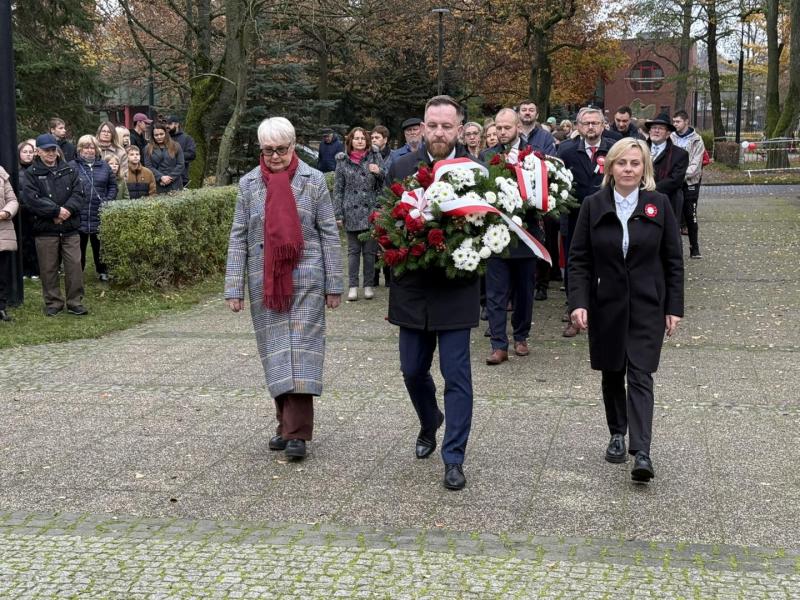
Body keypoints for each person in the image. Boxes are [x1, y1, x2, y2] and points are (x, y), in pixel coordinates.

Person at [224, 116, 343, 460]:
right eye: (268, 150)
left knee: (301, 352)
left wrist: (334, 284)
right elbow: (239, 236)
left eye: (281, 149)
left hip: (307, 276)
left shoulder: (314, 180)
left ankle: (297, 434)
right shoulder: (248, 184)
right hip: (267, 280)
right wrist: (235, 288)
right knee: (276, 352)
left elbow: (329, 234)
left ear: (293, 146)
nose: (275, 156)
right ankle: (284, 425)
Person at [568, 138, 684, 482]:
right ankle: (617, 433)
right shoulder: (593, 205)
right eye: (622, 163)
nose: (629, 169)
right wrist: (579, 302)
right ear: (610, 167)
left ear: (644, 168)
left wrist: (674, 307)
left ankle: (642, 450)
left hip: (648, 304)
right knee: (612, 371)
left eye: (635, 163)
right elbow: (579, 260)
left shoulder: (658, 204)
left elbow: (673, 261)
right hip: (607, 305)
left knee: (641, 374)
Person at [385, 95, 477, 491]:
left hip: (456, 289)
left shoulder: (477, 171)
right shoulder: (402, 166)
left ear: (459, 128)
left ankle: (453, 457)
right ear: (422, 126)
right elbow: (386, 222)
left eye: (446, 126)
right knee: (412, 370)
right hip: (412, 288)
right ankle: (429, 420)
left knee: (456, 376)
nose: (438, 133)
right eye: (432, 125)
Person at [479, 108, 540, 366]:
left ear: (518, 126)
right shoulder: (487, 156)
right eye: (499, 128)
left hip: (526, 235)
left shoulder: (534, 155)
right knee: (496, 293)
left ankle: (521, 336)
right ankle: (498, 344)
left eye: (507, 127)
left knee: (525, 291)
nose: (502, 132)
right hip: (496, 236)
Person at [558, 107, 616, 337]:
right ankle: (575, 309)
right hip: (575, 217)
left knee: (607, 260)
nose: (591, 127)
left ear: (603, 125)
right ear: (578, 126)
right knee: (576, 262)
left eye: (595, 123)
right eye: (586, 123)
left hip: (608, 215)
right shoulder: (565, 150)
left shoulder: (614, 147)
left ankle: (604, 308)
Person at [21, 134, 87, 316]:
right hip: (45, 229)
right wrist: (55, 212)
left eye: (53, 149)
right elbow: (32, 200)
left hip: (70, 227)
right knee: (48, 268)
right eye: (47, 150)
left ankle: (75, 302)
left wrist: (66, 211)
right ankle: (53, 302)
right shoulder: (31, 173)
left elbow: (79, 194)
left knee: (74, 265)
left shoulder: (70, 170)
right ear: (38, 152)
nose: (51, 153)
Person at [334, 127, 385, 301]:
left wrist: (378, 172)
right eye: (356, 138)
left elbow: (383, 183)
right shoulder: (342, 161)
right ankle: (353, 286)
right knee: (353, 251)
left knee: (370, 251)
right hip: (351, 210)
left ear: (367, 140)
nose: (360, 141)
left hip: (370, 210)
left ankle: (369, 285)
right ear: (350, 141)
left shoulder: (375, 156)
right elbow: (338, 189)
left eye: (363, 138)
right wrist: (338, 213)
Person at [72, 135, 117, 281]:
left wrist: (108, 200)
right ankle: (78, 272)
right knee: (79, 246)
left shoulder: (104, 166)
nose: (89, 150)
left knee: (100, 246)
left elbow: (112, 186)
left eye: (92, 147)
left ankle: (103, 271)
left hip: (99, 212)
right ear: (80, 149)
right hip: (79, 213)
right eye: (86, 147)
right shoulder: (72, 166)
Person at [671, 110, 706, 259]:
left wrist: (681, 176)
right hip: (674, 182)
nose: (675, 124)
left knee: (691, 215)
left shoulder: (697, 140)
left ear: (686, 122)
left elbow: (696, 164)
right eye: (674, 122)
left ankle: (694, 247)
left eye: (678, 122)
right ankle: (673, 250)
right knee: (673, 215)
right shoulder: (671, 138)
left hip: (690, 182)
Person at [645, 113, 688, 219]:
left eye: (660, 128)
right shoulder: (639, 150)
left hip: (668, 202)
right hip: (641, 199)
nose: (656, 131)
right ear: (649, 131)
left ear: (668, 134)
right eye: (654, 128)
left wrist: (650, 189)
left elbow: (675, 180)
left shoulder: (680, 154)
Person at [0, 166, 19, 322]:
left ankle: (0, 308)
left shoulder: (0, 172)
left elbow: (12, 200)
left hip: (2, 230)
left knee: (1, 274)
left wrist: (6, 212)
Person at [18, 140, 39, 279]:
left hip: (36, 209)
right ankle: (24, 269)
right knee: (22, 240)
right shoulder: (14, 171)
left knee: (35, 241)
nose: (28, 155)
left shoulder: (37, 169)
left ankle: (35, 269)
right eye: (25, 152)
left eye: (30, 152)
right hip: (20, 210)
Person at [144, 122, 185, 194]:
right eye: (156, 135)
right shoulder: (148, 148)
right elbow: (148, 166)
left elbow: (180, 164)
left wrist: (170, 178)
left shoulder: (176, 145)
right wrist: (161, 177)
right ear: (153, 136)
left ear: (166, 133)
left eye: (161, 134)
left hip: (175, 184)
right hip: (158, 184)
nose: (159, 137)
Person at [167, 115, 196, 187]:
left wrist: (176, 155)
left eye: (170, 124)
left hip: (182, 177)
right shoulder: (164, 138)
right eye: (167, 124)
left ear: (177, 124)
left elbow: (192, 154)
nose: (167, 126)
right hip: (166, 177)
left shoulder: (187, 138)